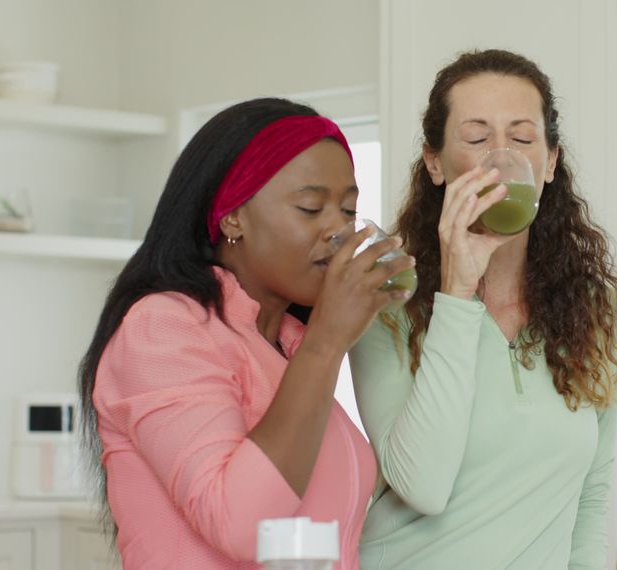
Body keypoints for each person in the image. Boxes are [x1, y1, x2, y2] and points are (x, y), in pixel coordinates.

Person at [77, 97, 414, 569]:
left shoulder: (289, 345)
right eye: (311, 207)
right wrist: (327, 341)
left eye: (348, 209)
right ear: (233, 215)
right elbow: (243, 526)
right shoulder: (163, 327)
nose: (338, 229)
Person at [349, 49, 617, 569]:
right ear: (435, 162)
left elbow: (591, 496)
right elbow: (423, 486)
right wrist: (457, 291)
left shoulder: (594, 307)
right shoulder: (387, 300)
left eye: (523, 140)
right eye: (477, 139)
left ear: (549, 163)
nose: (500, 158)